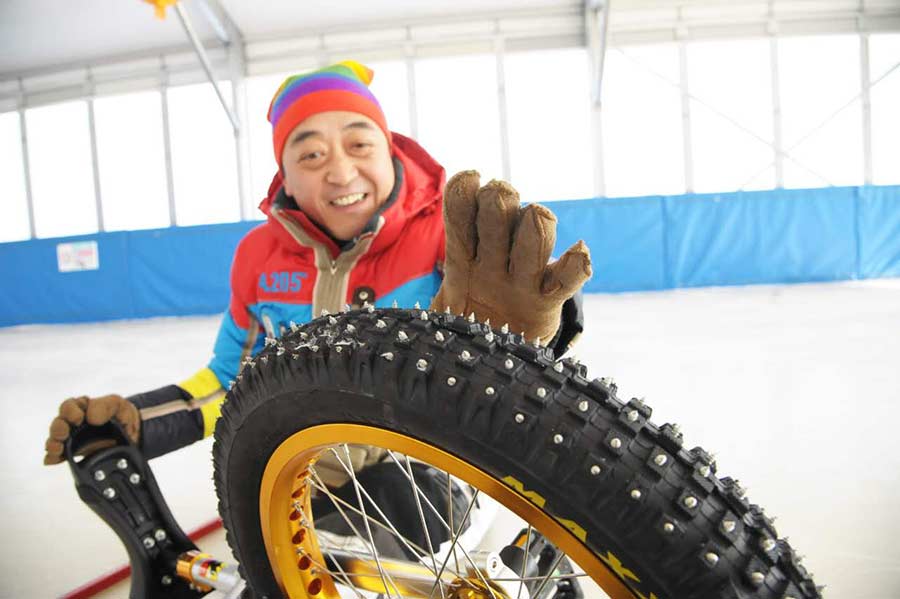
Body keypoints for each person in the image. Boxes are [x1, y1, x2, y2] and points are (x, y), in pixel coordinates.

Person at [42, 60, 591, 472]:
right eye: (310, 154)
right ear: (283, 173)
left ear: (389, 150)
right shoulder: (257, 259)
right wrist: (141, 420)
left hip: (435, 476)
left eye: (358, 143)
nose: (340, 172)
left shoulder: (445, 237)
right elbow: (233, 380)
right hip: (301, 484)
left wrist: (527, 341)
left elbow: (513, 372)